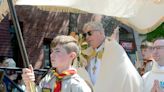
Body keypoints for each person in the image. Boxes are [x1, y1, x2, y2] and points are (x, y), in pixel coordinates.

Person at [79, 21, 143, 92]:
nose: (87, 37)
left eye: (89, 33)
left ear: (101, 32)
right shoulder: (88, 53)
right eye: (85, 35)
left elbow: (122, 73)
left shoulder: (113, 48)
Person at [22, 35, 91, 92]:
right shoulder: (47, 80)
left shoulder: (78, 85)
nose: (51, 55)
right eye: (52, 51)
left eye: (57, 51)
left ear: (72, 56)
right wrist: (29, 84)